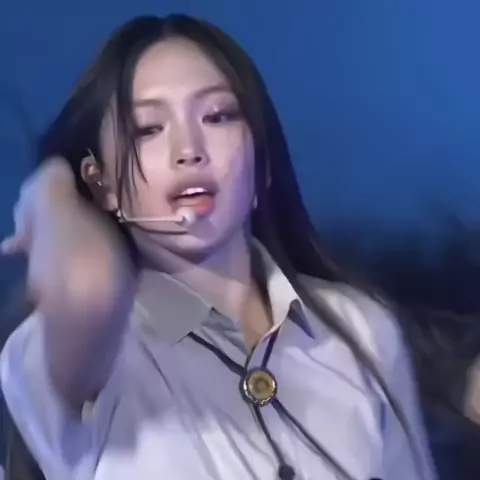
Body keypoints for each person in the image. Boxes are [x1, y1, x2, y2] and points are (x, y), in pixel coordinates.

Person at [0, 14, 436, 480]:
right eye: (147, 128)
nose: (189, 149)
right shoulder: (72, 356)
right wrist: (50, 190)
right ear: (100, 182)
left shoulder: (362, 328)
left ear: (261, 161)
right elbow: (88, 287)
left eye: (217, 116)